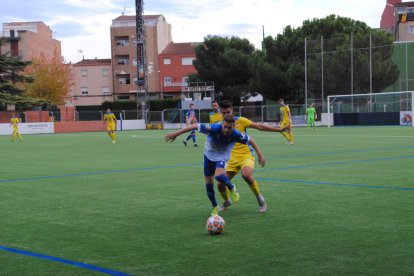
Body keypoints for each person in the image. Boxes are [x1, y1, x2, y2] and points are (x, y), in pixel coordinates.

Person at [165, 114, 265, 216]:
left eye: (229, 128)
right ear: (222, 124)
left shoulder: (236, 134)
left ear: (234, 126)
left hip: (222, 156)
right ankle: (214, 206)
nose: (226, 130)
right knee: (209, 185)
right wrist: (176, 134)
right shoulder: (214, 128)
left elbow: (250, 139)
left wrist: (260, 155)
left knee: (218, 176)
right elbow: (194, 126)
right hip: (208, 155)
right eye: (224, 126)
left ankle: (232, 188)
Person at [217, 100, 288, 213]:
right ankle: (227, 201)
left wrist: (279, 130)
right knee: (220, 184)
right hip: (231, 158)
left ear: (232, 110)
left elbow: (259, 126)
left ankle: (260, 198)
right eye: (224, 113)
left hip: (246, 154)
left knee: (246, 174)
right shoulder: (220, 125)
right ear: (221, 112)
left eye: (228, 112)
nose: (226, 115)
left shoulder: (241, 121)